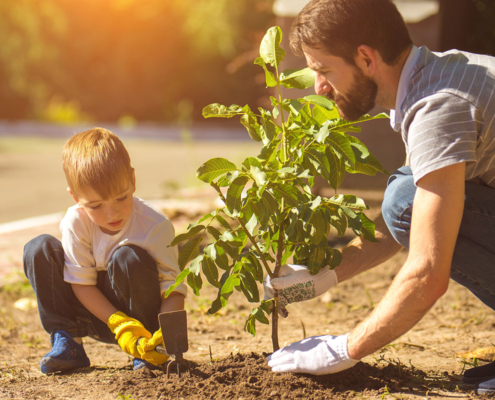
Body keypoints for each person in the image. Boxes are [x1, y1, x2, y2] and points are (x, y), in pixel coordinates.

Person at [263, 0, 495, 395]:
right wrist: (330, 272)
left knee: (402, 195)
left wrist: (345, 349)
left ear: (366, 58)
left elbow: (427, 270)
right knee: (407, 189)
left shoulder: (437, 107)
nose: (318, 87)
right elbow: (423, 211)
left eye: (322, 70)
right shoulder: (438, 75)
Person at [23, 127, 186, 374]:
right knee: (38, 248)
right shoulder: (75, 222)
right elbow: (82, 284)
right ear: (76, 198)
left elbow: (172, 288)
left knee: (128, 257)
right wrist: (118, 323)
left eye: (121, 198)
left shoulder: (155, 227)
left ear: (132, 180)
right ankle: (69, 343)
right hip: (95, 316)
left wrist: (166, 332)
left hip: (140, 324)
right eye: (96, 205)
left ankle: (145, 352)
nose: (112, 214)